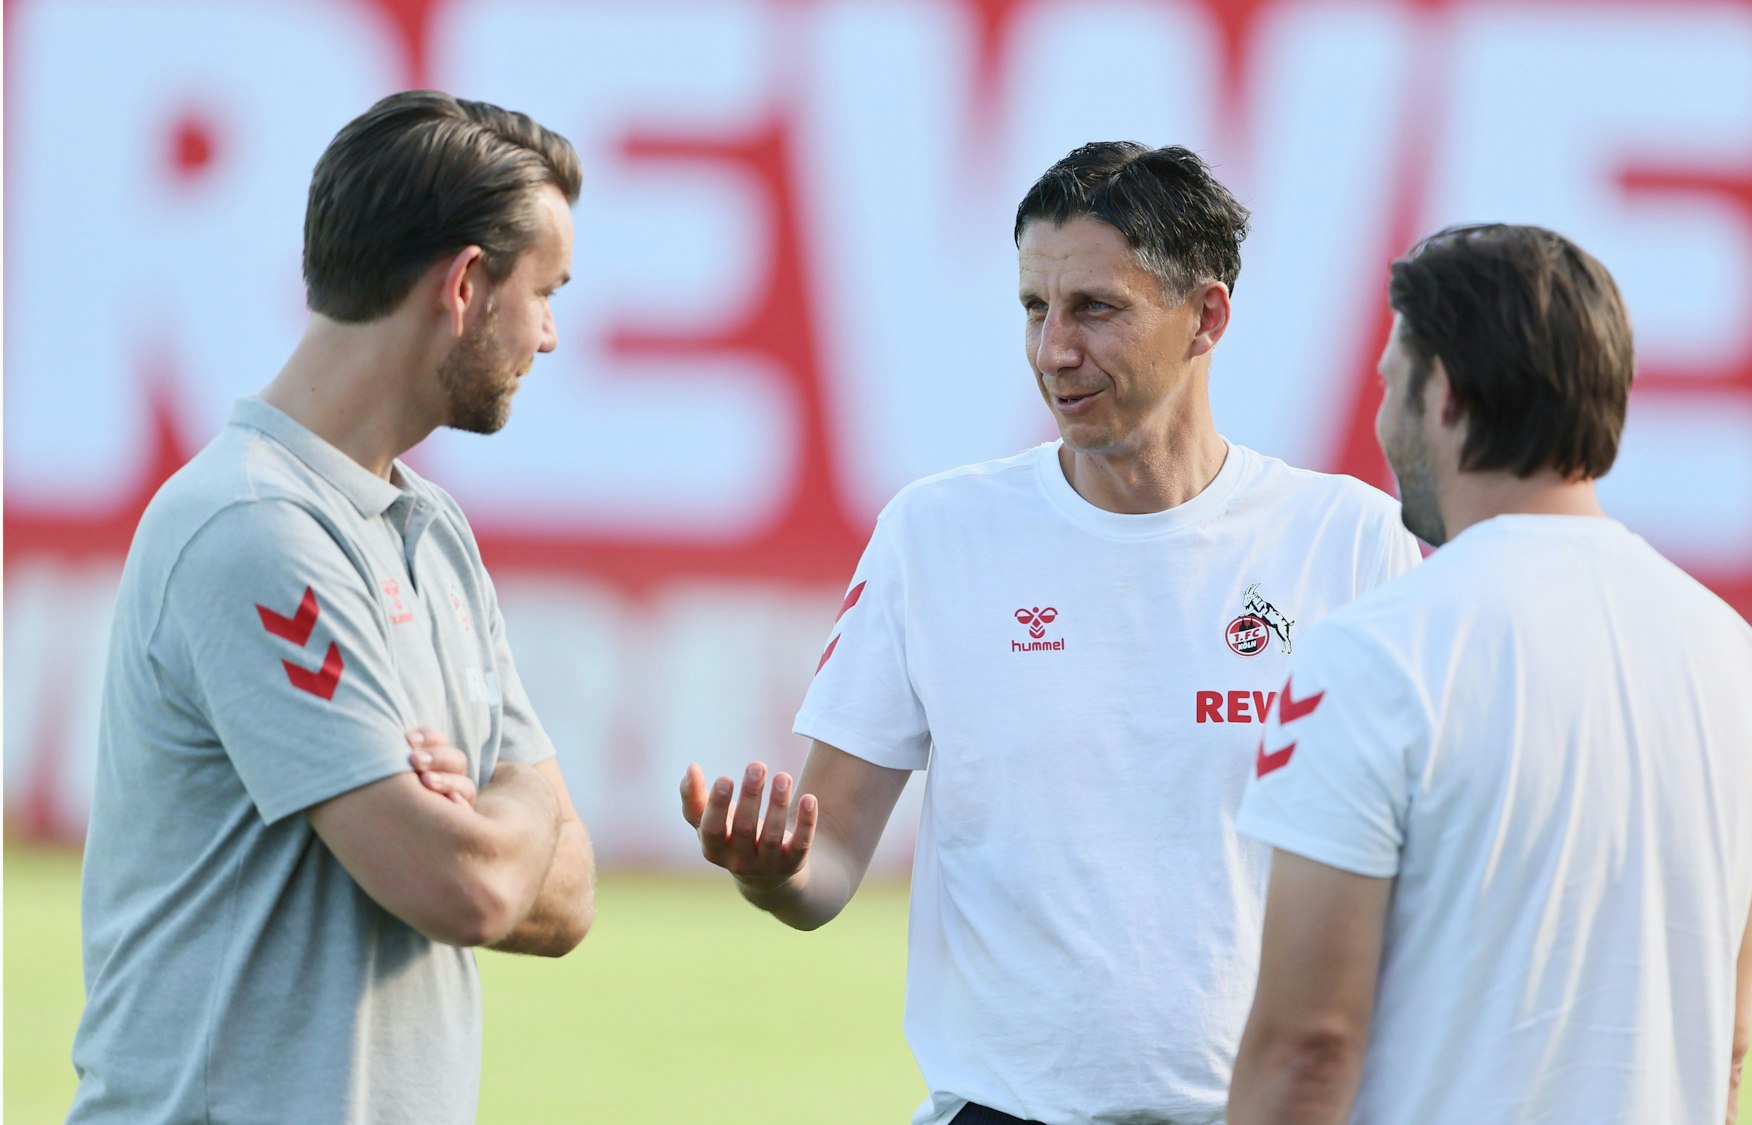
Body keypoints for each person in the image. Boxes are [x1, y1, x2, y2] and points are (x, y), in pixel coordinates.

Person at [682, 142, 1422, 1124]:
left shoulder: (1348, 539)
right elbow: (825, 865)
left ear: (1204, 317)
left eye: (1094, 309)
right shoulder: (935, 534)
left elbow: (1437, 873)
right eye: (1034, 309)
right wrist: (772, 874)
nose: (1052, 350)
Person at [69, 90, 596, 1125]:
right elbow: (473, 892)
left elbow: (568, 896)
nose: (550, 334)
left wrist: (493, 820)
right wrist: (518, 808)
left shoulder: (432, 529)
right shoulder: (249, 531)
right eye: (545, 292)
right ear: (465, 284)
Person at [1229, 224, 1752, 1124]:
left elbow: (1309, 1045)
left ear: (1444, 396)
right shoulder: (1746, 669)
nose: (1382, 419)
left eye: (1390, 383)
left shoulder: (1373, 656)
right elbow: (1723, 1050)